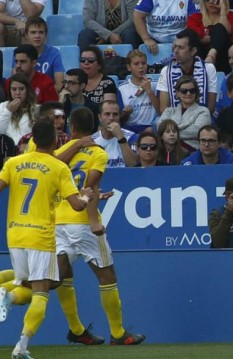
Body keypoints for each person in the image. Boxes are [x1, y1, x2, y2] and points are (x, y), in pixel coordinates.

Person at [53, 107, 146, 347]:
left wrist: (72, 146)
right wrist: (94, 220)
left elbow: (52, 168)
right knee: (107, 276)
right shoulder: (98, 153)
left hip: (58, 222)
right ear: (94, 126)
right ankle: (118, 333)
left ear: (71, 126)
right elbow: (89, 188)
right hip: (83, 223)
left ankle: (76, 329)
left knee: (61, 277)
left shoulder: (61, 151)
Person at [0, 120, 93, 359]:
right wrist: (87, 197)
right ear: (54, 140)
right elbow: (75, 205)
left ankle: (8, 295)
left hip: (15, 234)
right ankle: (21, 345)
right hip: (40, 236)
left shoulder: (13, 162)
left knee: (26, 285)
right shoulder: (58, 167)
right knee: (42, 292)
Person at [156, 29, 218, 114]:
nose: (176, 51)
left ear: (193, 51)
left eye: (180, 47)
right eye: (175, 47)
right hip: (174, 120)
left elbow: (210, 108)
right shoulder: (166, 71)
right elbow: (163, 109)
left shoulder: (208, 69)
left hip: (201, 117)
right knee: (157, 123)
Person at [187, 0, 233, 73]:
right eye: (207, 0)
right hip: (202, 56)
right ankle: (210, 57)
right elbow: (194, 38)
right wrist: (218, 37)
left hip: (225, 57)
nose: (211, 1)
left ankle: (211, 56)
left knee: (219, 27)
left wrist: (223, 11)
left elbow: (230, 34)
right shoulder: (195, 18)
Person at [157, 76, 211, 152]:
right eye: (184, 91)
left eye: (192, 90)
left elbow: (197, 131)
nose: (188, 93)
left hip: (192, 149)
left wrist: (170, 133)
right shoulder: (169, 111)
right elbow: (160, 127)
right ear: (178, 93)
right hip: (168, 149)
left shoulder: (203, 111)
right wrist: (180, 129)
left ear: (196, 93)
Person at [133, 0, 198, 55]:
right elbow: (137, 16)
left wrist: (181, 39)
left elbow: (194, 19)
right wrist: (146, 39)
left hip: (179, 38)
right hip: (154, 39)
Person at [118, 50, 160, 133]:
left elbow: (161, 111)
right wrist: (126, 113)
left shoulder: (156, 84)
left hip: (151, 127)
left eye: (143, 63)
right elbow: (119, 119)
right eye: (136, 64)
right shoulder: (121, 89)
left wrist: (149, 91)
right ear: (129, 67)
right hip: (130, 128)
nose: (141, 66)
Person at [22, 17, 65, 93]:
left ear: (46, 35)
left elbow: (59, 85)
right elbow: (16, 81)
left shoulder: (54, 53)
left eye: (41, 32)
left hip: (47, 97)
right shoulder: (20, 53)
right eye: (33, 32)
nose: (37, 36)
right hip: (26, 97)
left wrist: (40, 94)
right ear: (26, 35)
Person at [91, 100, 138, 167]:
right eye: (107, 114)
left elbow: (133, 164)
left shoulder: (132, 137)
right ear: (99, 117)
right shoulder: (92, 141)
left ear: (119, 116)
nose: (111, 118)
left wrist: (121, 137)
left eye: (115, 114)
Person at [0, 73, 39, 147]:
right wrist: (8, 111)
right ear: (9, 90)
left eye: (21, 89)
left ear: (27, 90)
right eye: (14, 89)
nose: (17, 93)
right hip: (5, 153)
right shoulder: (2, 107)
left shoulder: (37, 109)